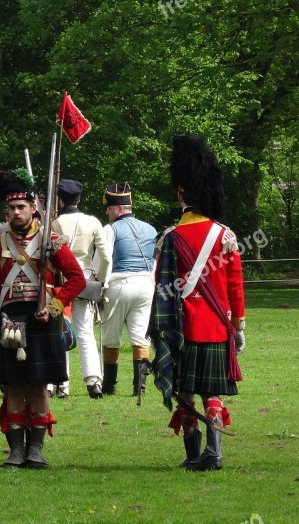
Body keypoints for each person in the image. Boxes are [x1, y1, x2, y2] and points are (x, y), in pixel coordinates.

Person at [149, 134, 245, 471]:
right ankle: (215, 453)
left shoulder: (169, 238)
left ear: (180, 194)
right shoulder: (226, 235)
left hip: (184, 327)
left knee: (186, 391)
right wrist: (238, 326)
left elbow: (161, 289)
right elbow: (235, 286)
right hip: (218, 326)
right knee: (211, 391)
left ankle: (193, 454)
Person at [0, 170, 85, 468]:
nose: (16, 212)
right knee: (13, 385)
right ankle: (15, 450)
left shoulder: (51, 241)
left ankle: (36, 450)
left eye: (21, 207)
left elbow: (77, 279)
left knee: (38, 386)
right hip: (8, 320)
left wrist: (54, 304)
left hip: (42, 320)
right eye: (11, 208)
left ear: (33, 208)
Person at [52, 179, 112, 398]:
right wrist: (101, 281)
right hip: (86, 279)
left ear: (60, 199)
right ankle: (94, 382)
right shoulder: (92, 222)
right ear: (79, 199)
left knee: (60, 330)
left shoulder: (55, 223)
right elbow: (105, 257)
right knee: (86, 332)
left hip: (63, 280)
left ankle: (62, 385)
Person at [100, 183, 158, 396]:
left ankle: (109, 386)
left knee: (110, 337)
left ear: (118, 208)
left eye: (109, 208)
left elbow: (104, 260)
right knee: (141, 338)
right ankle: (139, 389)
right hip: (145, 285)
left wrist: (100, 285)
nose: (107, 212)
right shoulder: (151, 229)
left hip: (119, 284)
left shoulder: (110, 229)